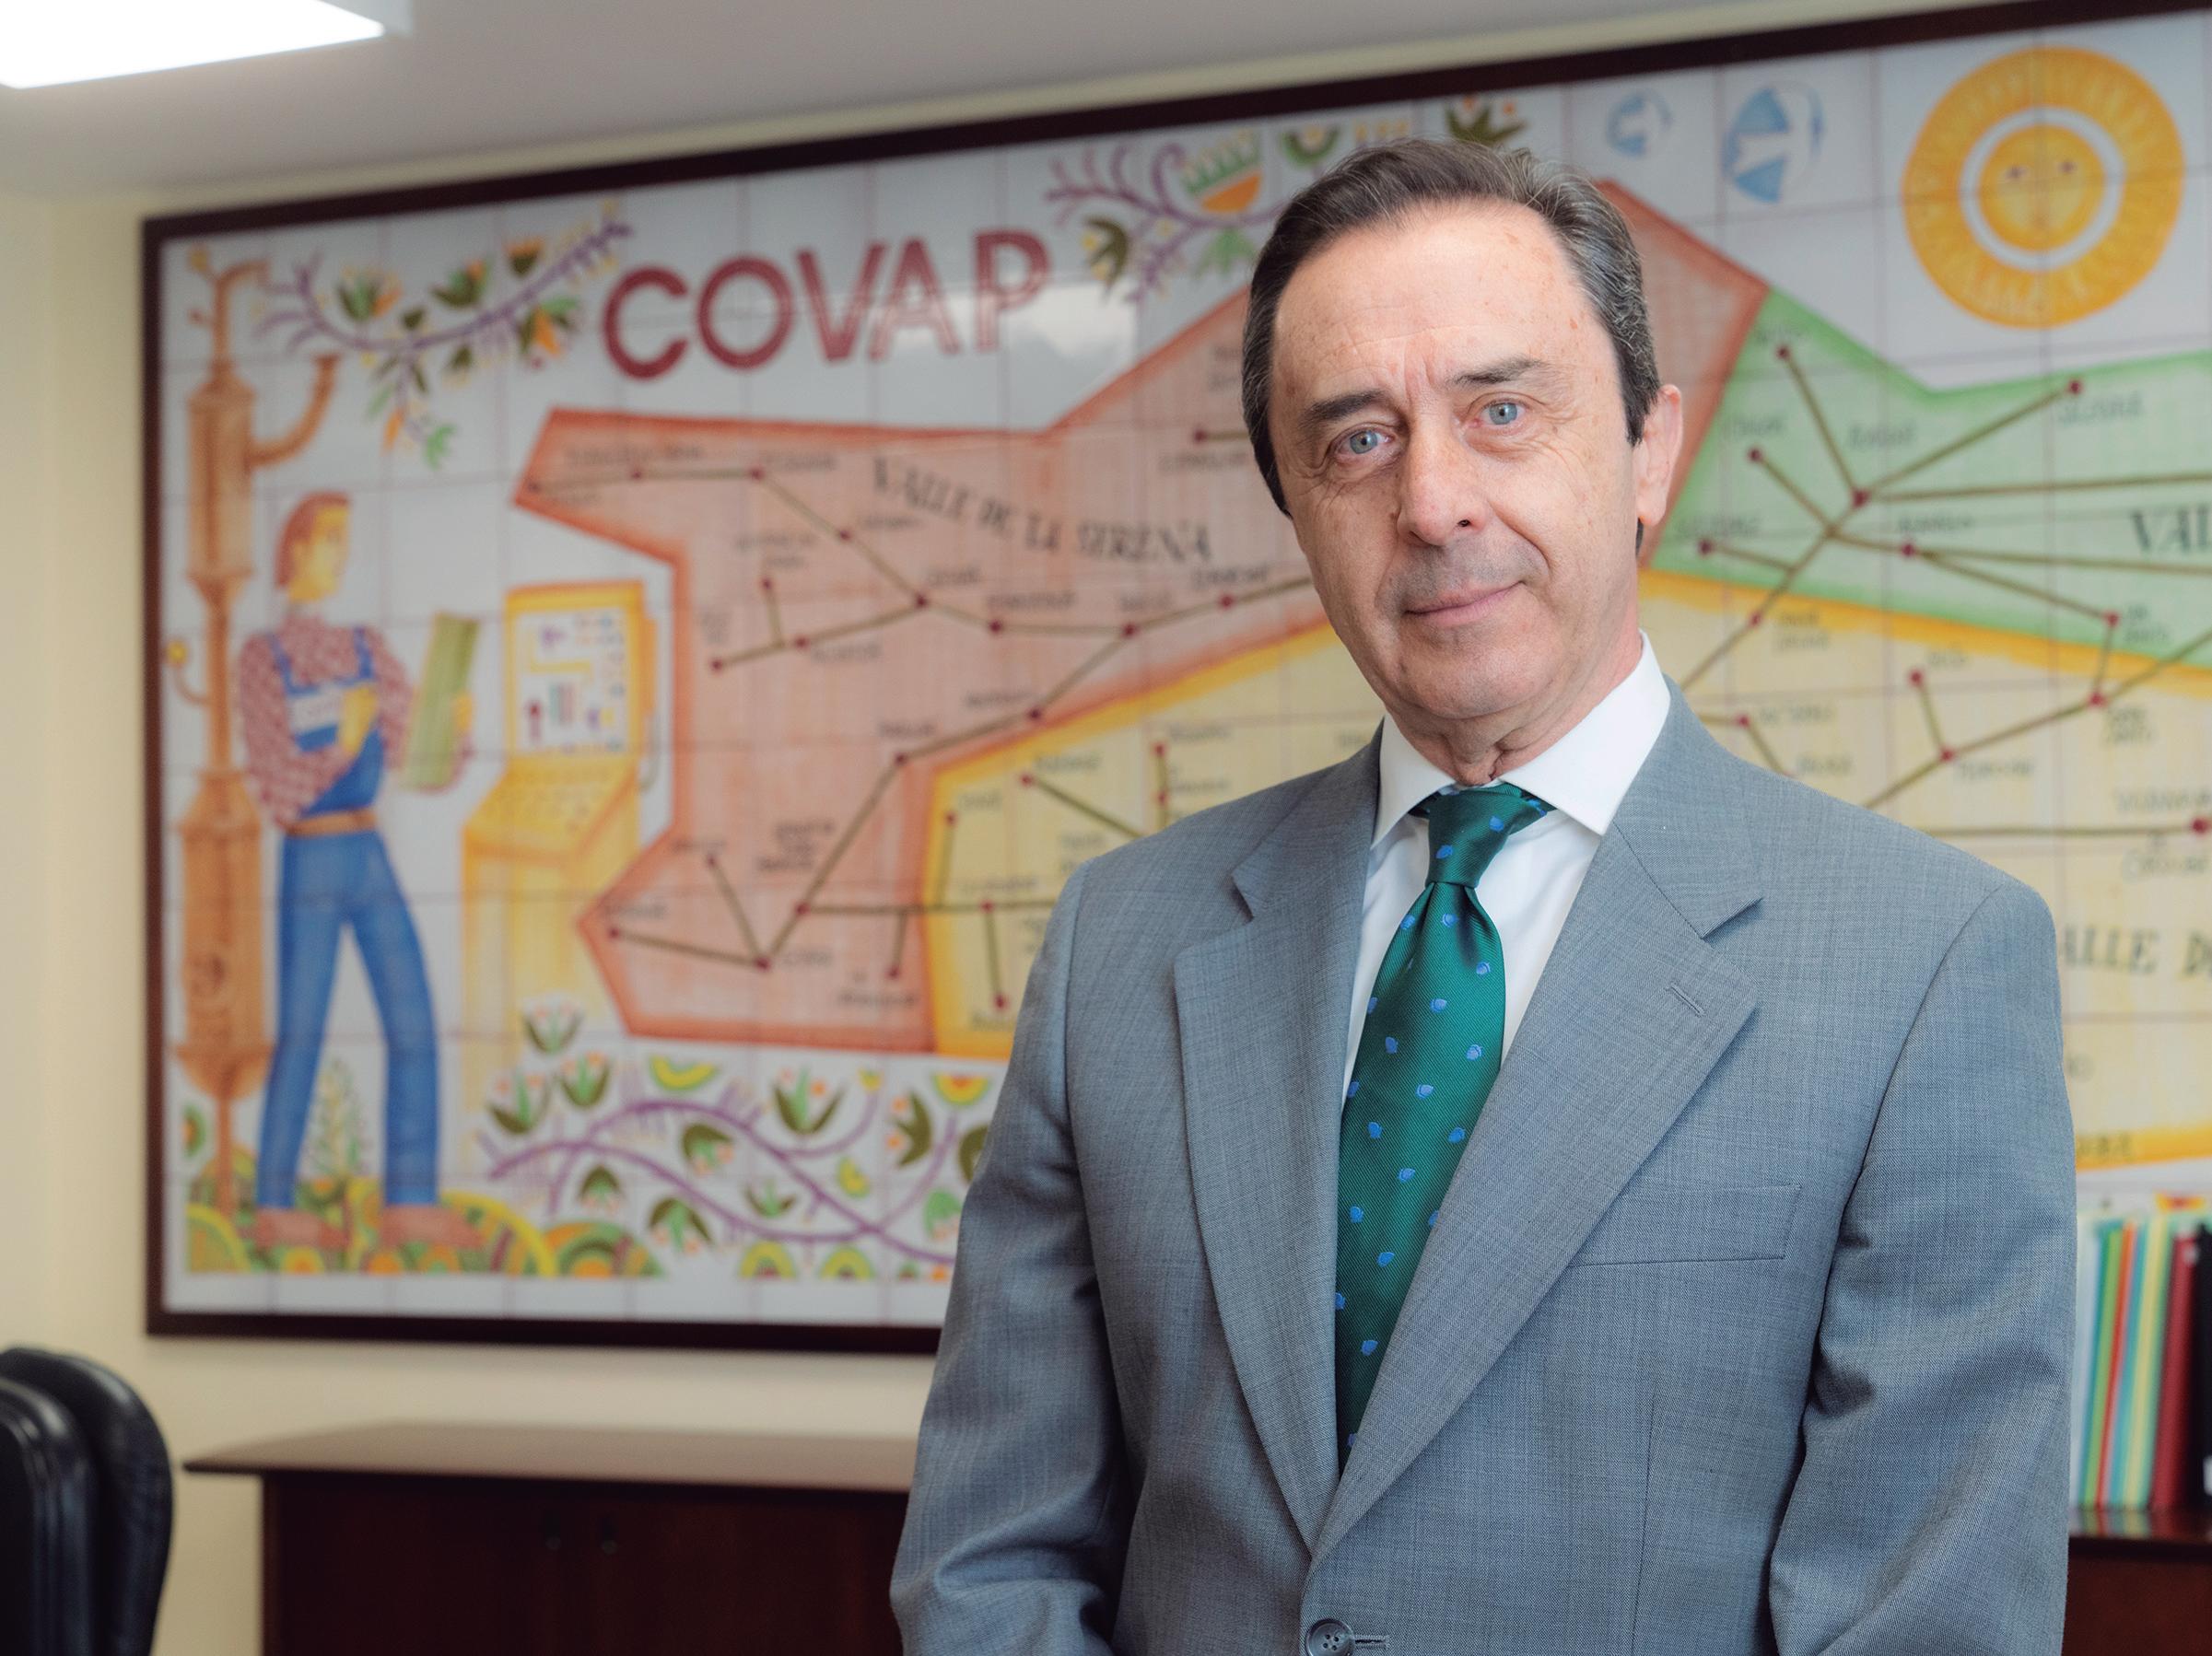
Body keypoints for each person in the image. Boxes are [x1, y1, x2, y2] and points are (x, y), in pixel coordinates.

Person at [891, 139, 2074, 1654]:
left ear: (1650, 451)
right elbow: (990, 1559)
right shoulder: (1119, 942)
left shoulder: (1929, 962)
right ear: (1296, 509)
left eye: (1502, 410)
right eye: (1356, 440)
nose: (1434, 501)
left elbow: (1927, 1621)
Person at [237, 490, 482, 1255]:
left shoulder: (367, 647)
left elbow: (415, 759)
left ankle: (409, 1200)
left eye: (344, 540)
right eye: (327, 540)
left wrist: (451, 730)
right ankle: (273, 1204)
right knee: (302, 1030)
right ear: (294, 550)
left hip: (367, 850)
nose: (339, 554)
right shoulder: (262, 659)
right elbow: (274, 784)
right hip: (310, 854)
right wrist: (342, 743)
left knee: (412, 1019)